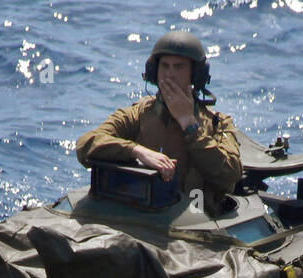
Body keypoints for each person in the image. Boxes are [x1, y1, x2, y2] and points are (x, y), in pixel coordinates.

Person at [75, 30, 242, 209]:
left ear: (195, 74)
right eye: (165, 66)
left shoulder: (218, 124)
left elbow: (230, 175)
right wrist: (136, 151)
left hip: (193, 224)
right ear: (154, 71)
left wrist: (190, 125)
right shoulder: (139, 114)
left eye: (179, 67)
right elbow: (86, 144)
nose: (169, 75)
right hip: (142, 220)